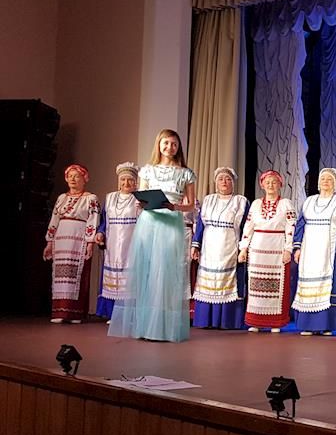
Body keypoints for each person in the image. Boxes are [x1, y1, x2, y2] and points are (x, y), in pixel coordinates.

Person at [108, 129, 197, 342]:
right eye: (166, 143)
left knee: (166, 272)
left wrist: (175, 206)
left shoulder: (186, 173)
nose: (169, 147)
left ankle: (164, 328)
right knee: (147, 272)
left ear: (179, 147)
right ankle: (146, 326)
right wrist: (142, 204)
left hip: (171, 221)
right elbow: (142, 198)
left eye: (174, 144)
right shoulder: (147, 171)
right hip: (149, 222)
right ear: (159, 144)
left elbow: (191, 205)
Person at [291, 167, 336, 335]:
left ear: (335, 184)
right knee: (308, 282)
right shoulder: (309, 201)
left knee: (330, 284)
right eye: (323, 179)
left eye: (330, 179)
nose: (326, 182)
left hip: (331, 249)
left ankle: (326, 325)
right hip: (309, 250)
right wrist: (297, 247)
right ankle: (307, 324)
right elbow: (301, 224)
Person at [191, 167, 249, 329]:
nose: (224, 182)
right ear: (215, 182)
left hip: (229, 245)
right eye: (221, 179)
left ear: (233, 182)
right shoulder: (208, 200)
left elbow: (246, 227)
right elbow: (200, 224)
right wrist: (195, 245)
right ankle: (206, 320)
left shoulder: (241, 201)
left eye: (228, 179)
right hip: (209, 247)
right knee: (207, 280)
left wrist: (244, 249)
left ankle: (226, 321)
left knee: (229, 280)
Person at [239, 170, 296, 333]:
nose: (271, 185)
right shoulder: (256, 204)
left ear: (280, 185)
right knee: (255, 284)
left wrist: (288, 249)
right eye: (267, 182)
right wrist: (243, 248)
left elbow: (291, 227)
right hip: (258, 248)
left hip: (277, 246)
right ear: (262, 185)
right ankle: (256, 321)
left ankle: (275, 322)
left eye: (274, 182)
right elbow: (248, 227)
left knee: (277, 284)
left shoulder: (286, 204)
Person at [44, 164, 100, 323]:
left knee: (76, 273)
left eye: (76, 176)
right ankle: (59, 312)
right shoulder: (62, 198)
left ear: (84, 179)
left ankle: (75, 313)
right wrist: (49, 242)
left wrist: (90, 242)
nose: (72, 179)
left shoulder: (91, 199)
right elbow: (54, 219)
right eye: (70, 176)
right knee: (61, 273)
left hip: (79, 237)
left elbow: (93, 220)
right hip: (61, 239)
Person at [95, 162, 142, 322]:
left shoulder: (139, 199)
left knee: (129, 277)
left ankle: (128, 314)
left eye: (130, 180)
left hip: (131, 243)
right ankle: (111, 314)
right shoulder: (110, 198)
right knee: (112, 278)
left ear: (135, 182)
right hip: (113, 244)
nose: (126, 183)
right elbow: (103, 221)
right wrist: (100, 233)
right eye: (123, 179)